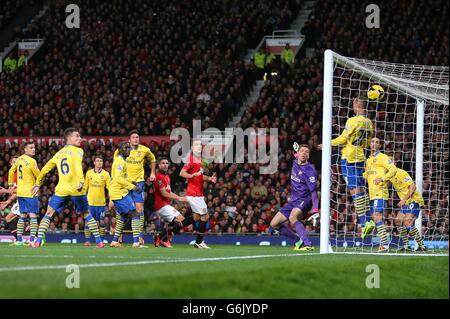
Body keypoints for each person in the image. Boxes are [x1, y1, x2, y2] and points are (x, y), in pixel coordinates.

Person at [31, 128, 104, 248]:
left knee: (48, 213)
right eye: (77, 136)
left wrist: (38, 183)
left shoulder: (59, 153)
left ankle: (38, 241)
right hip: (76, 189)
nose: (80, 138)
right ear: (70, 138)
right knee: (86, 214)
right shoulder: (78, 151)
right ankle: (99, 242)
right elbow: (77, 166)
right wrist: (81, 180)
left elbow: (45, 169)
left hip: (62, 189)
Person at [318, 97, 374, 237]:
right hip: (361, 157)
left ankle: (364, 222)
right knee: (361, 189)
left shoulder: (352, 120)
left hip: (349, 158)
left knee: (354, 191)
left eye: (353, 104)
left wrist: (327, 143)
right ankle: (368, 220)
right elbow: (367, 143)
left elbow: (343, 139)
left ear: (357, 105)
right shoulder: (369, 123)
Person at [269, 143, 319, 251]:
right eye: (302, 151)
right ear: (297, 154)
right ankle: (297, 241)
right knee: (274, 224)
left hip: (305, 199)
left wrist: (315, 209)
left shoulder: (310, 171)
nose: (304, 153)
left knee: (292, 217)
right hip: (293, 200)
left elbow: (314, 192)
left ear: (308, 156)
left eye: (307, 152)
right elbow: (293, 151)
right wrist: (294, 146)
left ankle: (308, 244)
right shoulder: (295, 161)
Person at [113, 130, 156, 247]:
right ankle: (118, 238)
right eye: (133, 137)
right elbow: (116, 167)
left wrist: (152, 172)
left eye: (137, 137)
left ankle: (139, 239)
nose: (136, 139)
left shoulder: (144, 150)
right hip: (124, 183)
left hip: (138, 183)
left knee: (139, 209)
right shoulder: (121, 152)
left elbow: (153, 159)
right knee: (121, 212)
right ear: (129, 140)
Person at [179, 138, 217, 249]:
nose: (199, 146)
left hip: (198, 193)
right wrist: (192, 175)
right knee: (205, 216)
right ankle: (199, 242)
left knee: (196, 217)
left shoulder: (199, 159)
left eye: (200, 145)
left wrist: (209, 178)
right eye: (196, 145)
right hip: (193, 193)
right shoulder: (191, 159)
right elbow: (182, 173)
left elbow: (199, 175)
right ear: (192, 147)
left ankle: (168, 231)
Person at [363, 137, 398, 252]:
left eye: (377, 142)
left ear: (379, 146)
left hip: (380, 191)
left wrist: (382, 179)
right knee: (375, 217)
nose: (374, 144)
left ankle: (385, 244)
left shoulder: (383, 157)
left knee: (377, 216)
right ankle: (384, 242)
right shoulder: (368, 160)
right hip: (371, 193)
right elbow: (367, 175)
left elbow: (393, 169)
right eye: (372, 141)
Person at [109, 142, 144, 248]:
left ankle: (115, 241)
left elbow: (123, 176)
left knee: (123, 217)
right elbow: (118, 179)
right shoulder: (120, 161)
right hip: (119, 193)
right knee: (135, 214)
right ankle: (136, 242)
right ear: (120, 149)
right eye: (126, 148)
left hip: (119, 192)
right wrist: (132, 187)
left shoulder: (122, 161)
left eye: (129, 148)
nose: (129, 149)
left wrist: (132, 181)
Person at [153, 157, 193, 248]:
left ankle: (159, 238)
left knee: (173, 223)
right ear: (159, 165)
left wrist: (178, 198)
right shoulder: (158, 176)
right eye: (163, 163)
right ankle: (164, 240)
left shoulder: (167, 176)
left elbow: (168, 192)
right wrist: (179, 198)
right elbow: (164, 193)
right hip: (161, 205)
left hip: (166, 204)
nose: (165, 165)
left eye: (167, 163)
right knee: (181, 220)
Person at [7, 142, 40, 246]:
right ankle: (31, 240)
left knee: (22, 216)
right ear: (25, 149)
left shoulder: (19, 159)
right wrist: (38, 184)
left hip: (20, 192)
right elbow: (39, 175)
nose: (33, 149)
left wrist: (10, 184)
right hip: (30, 192)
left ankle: (19, 240)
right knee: (33, 216)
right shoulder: (32, 161)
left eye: (34, 147)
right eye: (31, 148)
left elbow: (11, 170)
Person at [390, 167, 427, 251]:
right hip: (406, 202)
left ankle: (422, 246)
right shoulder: (390, 175)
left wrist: (403, 200)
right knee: (398, 221)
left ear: (394, 163)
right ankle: (406, 246)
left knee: (407, 223)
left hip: (414, 200)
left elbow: (413, 187)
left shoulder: (401, 173)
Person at [83, 155, 111, 246]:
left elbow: (109, 189)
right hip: (90, 203)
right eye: (98, 161)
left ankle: (101, 241)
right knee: (89, 221)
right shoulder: (89, 173)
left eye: (101, 161)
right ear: (94, 163)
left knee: (102, 222)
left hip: (101, 203)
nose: (99, 162)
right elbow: (85, 188)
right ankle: (87, 240)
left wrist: (111, 200)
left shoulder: (106, 174)